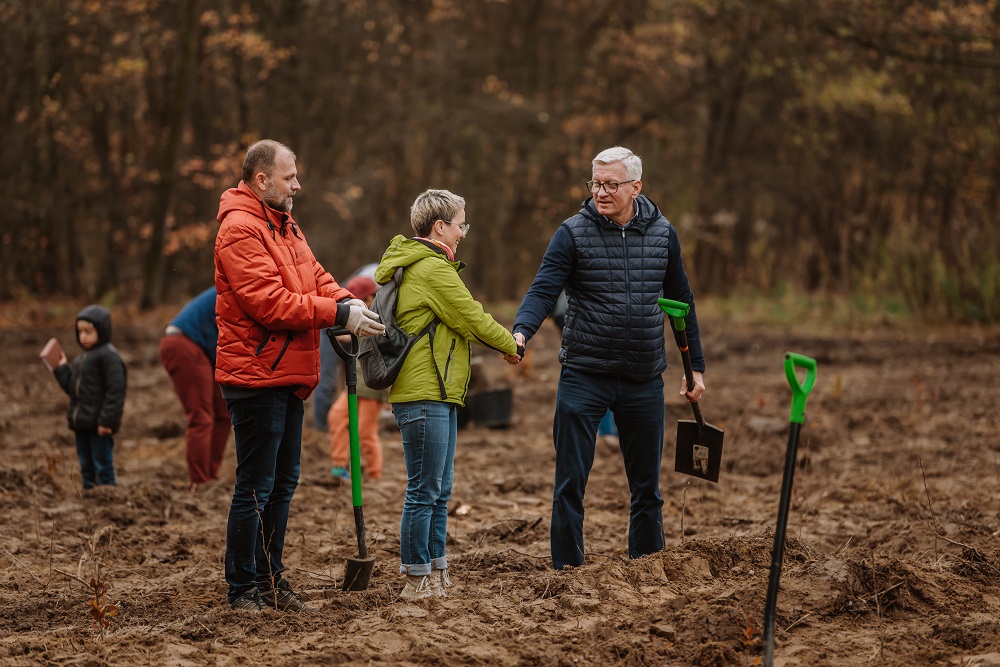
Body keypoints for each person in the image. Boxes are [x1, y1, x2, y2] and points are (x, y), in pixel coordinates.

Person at [512, 146, 706, 570]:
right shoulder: (573, 232)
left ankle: (648, 567)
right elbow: (544, 289)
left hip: (643, 377)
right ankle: (566, 571)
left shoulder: (663, 234)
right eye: (596, 183)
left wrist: (697, 369)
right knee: (570, 484)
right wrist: (522, 331)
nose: (601, 192)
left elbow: (681, 300)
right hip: (585, 373)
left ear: (636, 187)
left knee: (647, 487)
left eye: (611, 184)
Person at [214, 139, 385, 613]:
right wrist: (336, 314)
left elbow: (316, 276)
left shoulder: (285, 225)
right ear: (262, 179)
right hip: (255, 374)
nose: (298, 185)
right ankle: (243, 587)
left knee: (284, 483)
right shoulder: (240, 230)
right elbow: (269, 303)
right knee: (255, 486)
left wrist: (348, 302)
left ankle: (272, 578)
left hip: (287, 373)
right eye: (290, 177)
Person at [376, 189, 519, 600]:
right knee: (424, 489)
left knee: (439, 490)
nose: (464, 233)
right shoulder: (431, 270)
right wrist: (512, 345)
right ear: (440, 227)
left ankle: (436, 572)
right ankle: (416, 578)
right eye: (461, 224)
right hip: (423, 392)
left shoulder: (428, 266)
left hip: (440, 391)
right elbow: (472, 316)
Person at [159, 286, 230, 494]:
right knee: (201, 417)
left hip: (201, 349)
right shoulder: (233, 288)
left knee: (224, 414)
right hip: (183, 344)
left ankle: (211, 476)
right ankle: (198, 482)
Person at [51, 305, 127, 490]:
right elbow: (73, 389)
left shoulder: (109, 357)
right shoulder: (81, 359)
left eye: (88, 331)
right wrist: (61, 368)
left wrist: (107, 421)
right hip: (82, 424)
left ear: (102, 330)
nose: (83, 336)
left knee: (102, 465)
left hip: (99, 425)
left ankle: (107, 496)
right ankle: (90, 498)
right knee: (86, 466)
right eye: (80, 332)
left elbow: (115, 392)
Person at [327, 274, 388, 482]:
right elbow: (351, 335)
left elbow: (389, 353)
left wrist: (389, 394)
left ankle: (374, 473)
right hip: (354, 384)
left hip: (372, 387)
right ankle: (339, 466)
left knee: (365, 432)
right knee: (336, 417)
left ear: (371, 297)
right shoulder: (360, 317)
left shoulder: (383, 317)